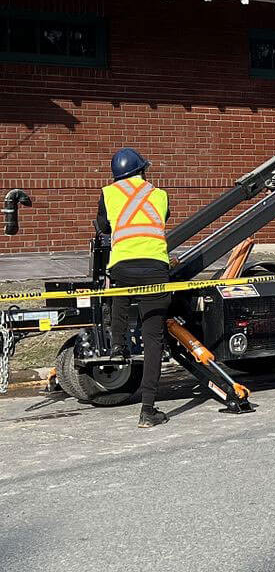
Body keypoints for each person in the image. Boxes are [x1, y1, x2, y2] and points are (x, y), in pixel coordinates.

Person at [96, 147, 172, 429]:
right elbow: (162, 218)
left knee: (120, 292)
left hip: (122, 265)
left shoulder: (108, 193)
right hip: (154, 267)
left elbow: (103, 227)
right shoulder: (160, 194)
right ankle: (148, 410)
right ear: (143, 169)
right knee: (153, 339)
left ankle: (118, 345)